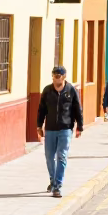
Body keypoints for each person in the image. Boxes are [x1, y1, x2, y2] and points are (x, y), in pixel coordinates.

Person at [37, 65, 83, 198]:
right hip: (50, 129)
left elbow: (77, 109)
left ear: (64, 77)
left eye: (58, 76)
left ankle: (57, 186)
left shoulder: (71, 90)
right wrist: (39, 126)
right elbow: (41, 110)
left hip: (65, 129)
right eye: (54, 75)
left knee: (61, 156)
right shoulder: (47, 91)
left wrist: (79, 126)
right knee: (49, 157)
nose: (55, 78)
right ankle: (53, 179)